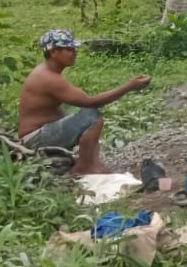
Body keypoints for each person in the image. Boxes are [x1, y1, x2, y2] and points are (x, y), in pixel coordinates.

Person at [17, 29, 149, 176]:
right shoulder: (48, 78)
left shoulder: (48, 72)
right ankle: (84, 167)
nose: (75, 52)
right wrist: (128, 87)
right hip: (34, 140)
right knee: (92, 116)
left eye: (74, 49)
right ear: (54, 52)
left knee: (85, 118)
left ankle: (92, 163)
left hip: (38, 135)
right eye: (69, 49)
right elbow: (90, 102)